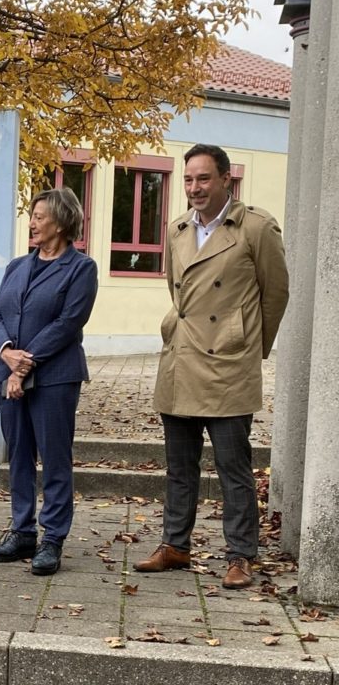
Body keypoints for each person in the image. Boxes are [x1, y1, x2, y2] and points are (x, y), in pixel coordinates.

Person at [134, 144, 288, 589]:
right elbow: (177, 292)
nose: (194, 188)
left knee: (233, 468)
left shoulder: (256, 227)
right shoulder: (177, 228)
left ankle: (241, 555)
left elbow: (276, 294)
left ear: (225, 179)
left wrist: (248, 345)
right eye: (188, 179)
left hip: (228, 363)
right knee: (179, 466)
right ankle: (175, 545)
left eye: (203, 178)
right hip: (182, 359)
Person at [0, 188, 98, 576]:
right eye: (32, 216)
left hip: (54, 378)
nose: (32, 223)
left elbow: (68, 323)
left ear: (62, 222)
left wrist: (23, 368)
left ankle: (53, 538)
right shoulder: (17, 266)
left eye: (39, 216)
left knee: (54, 458)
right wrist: (6, 352)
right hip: (7, 376)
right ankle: (22, 531)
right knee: (18, 456)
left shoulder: (81, 268)